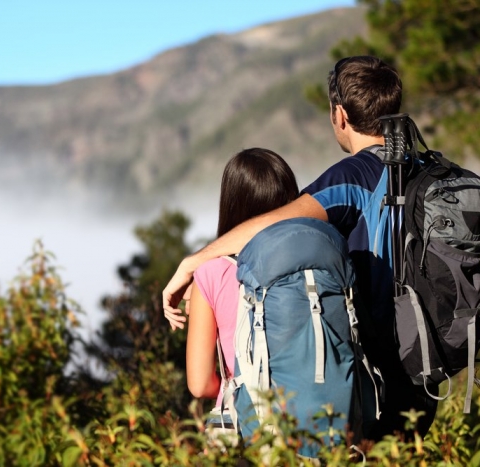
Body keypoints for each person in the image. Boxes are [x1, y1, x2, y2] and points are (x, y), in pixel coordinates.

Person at [165, 56, 438, 440]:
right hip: (429, 365)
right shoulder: (426, 168)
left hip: (372, 370)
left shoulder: (351, 176)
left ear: (339, 114)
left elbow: (277, 226)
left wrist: (194, 263)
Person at [185, 148, 299, 431]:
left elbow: (199, 385)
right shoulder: (314, 263)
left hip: (245, 424)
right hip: (311, 416)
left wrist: (235, 387)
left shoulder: (211, 273)